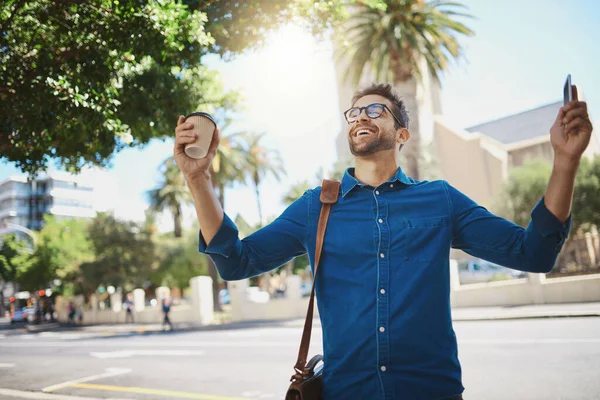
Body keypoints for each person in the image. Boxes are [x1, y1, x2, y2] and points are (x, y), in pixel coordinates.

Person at [173, 83, 593, 400]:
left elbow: (533, 252)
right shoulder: (314, 207)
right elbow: (235, 262)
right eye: (353, 112)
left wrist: (566, 161)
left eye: (376, 110)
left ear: (402, 133)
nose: (361, 116)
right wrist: (198, 179)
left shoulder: (440, 200)